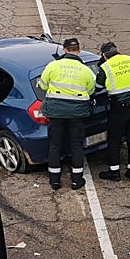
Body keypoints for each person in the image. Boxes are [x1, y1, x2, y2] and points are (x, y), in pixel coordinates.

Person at [36, 38, 96, 190]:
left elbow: (42, 85)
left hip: (56, 112)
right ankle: (76, 180)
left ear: (64, 49)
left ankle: (55, 180)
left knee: (55, 145)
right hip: (77, 113)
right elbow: (90, 90)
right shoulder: (85, 70)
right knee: (76, 145)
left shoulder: (53, 65)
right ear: (79, 50)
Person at [96, 41, 130, 182]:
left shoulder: (105, 67)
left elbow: (98, 87)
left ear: (104, 55)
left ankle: (114, 172)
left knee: (114, 140)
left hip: (119, 109)